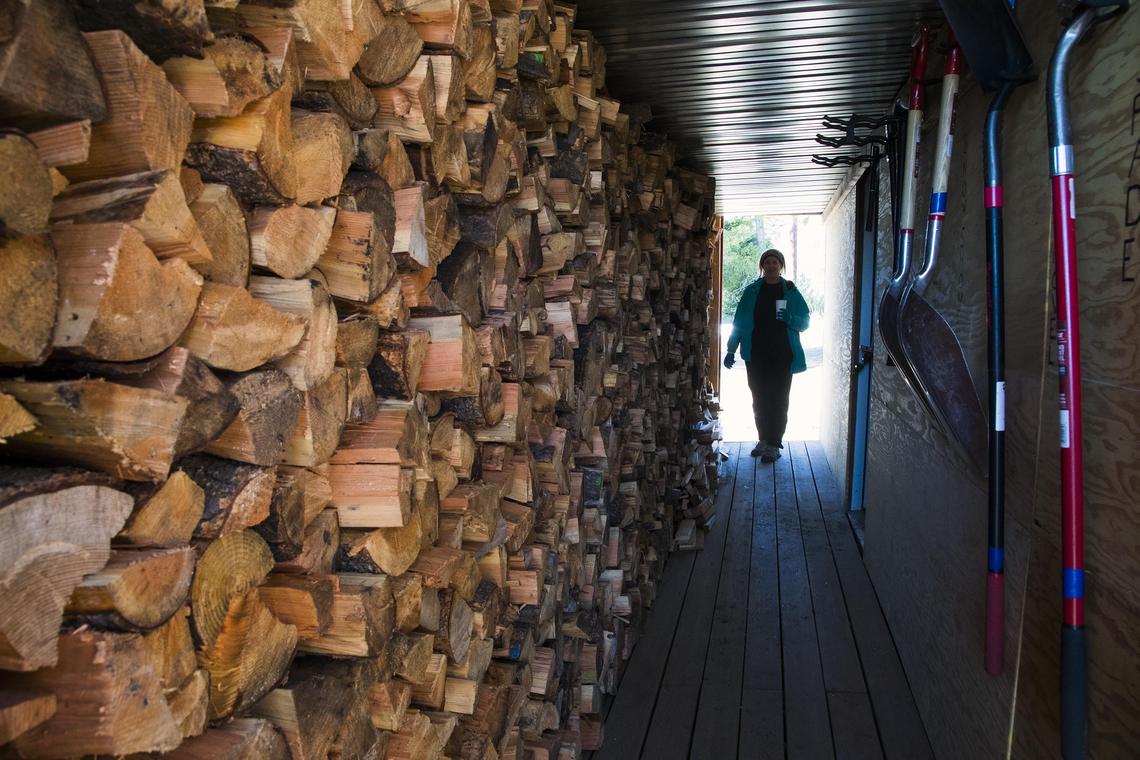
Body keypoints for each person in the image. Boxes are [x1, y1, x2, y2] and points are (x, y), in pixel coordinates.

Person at [724, 248, 811, 462]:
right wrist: (731, 349)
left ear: (781, 266)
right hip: (756, 353)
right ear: (762, 266)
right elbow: (739, 321)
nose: (771, 266)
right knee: (759, 398)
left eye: (775, 262)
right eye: (767, 262)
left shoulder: (790, 290)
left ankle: (774, 443)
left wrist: (789, 318)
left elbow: (805, 321)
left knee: (778, 398)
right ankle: (763, 439)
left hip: (782, 353)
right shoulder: (752, 291)